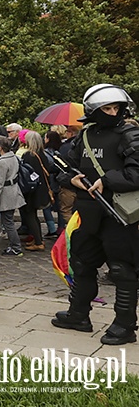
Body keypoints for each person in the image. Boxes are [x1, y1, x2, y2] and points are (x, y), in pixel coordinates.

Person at [52, 84, 139, 345]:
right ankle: (78, 314)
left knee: (122, 270)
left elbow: (136, 174)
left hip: (119, 215)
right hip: (88, 213)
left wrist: (106, 180)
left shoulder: (130, 134)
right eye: (107, 108)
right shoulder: (85, 136)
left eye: (116, 108)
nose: (113, 113)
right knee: (81, 265)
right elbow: (66, 170)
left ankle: (124, 326)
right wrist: (73, 179)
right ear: (93, 110)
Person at [0, 136, 25, 256]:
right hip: (14, 190)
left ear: (0, 147)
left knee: (8, 222)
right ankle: (15, 246)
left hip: (7, 193)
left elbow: (1, 183)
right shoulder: (13, 156)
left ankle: (16, 247)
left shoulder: (2, 162)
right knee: (8, 220)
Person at [21, 131, 53, 251]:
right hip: (41, 188)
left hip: (32, 189)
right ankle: (38, 238)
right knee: (34, 215)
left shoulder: (29, 156)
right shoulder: (43, 154)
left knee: (30, 215)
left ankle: (38, 242)